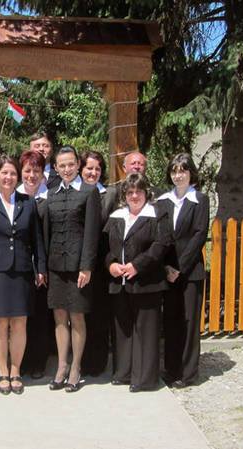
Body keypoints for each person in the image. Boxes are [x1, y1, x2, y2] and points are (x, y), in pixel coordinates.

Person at [0, 155, 46, 395]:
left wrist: (41, 269)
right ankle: (2, 371)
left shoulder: (28, 202)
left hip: (22, 271)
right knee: (0, 323)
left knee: (19, 323)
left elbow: (37, 239)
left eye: (13, 173)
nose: (9, 177)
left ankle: (16, 371)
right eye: (4, 173)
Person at [104, 173, 172, 392]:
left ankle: (144, 379)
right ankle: (123, 372)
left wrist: (137, 265)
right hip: (120, 283)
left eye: (139, 191)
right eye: (130, 192)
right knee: (122, 330)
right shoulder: (116, 216)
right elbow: (106, 248)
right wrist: (111, 265)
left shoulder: (157, 215)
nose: (134, 196)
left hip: (147, 283)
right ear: (124, 194)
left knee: (146, 331)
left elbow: (160, 246)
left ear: (146, 193)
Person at [43, 146, 101, 392]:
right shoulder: (51, 194)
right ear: (56, 168)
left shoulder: (89, 192)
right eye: (62, 165)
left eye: (70, 164)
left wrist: (86, 266)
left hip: (79, 268)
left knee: (77, 316)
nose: (67, 169)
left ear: (78, 165)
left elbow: (92, 233)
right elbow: (47, 232)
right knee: (59, 317)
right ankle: (62, 366)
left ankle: (76, 367)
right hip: (56, 266)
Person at [157, 153, 210, 389]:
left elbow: (199, 235)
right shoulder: (163, 201)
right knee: (171, 321)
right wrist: (166, 267)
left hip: (190, 272)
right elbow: (160, 235)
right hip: (167, 271)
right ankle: (171, 369)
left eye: (183, 171)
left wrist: (179, 268)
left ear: (191, 173)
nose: (178, 175)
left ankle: (188, 373)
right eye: (174, 171)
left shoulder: (200, 200)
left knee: (189, 322)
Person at [16, 149, 51, 379]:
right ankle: (21, 361)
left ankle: (38, 361)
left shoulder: (50, 196)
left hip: (43, 266)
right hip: (19, 267)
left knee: (40, 317)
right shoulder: (14, 196)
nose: (31, 175)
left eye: (36, 170)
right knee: (21, 318)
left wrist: (43, 267)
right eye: (28, 170)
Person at [78, 150, 113, 377]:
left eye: (98, 169)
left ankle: (97, 362)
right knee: (79, 315)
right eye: (89, 168)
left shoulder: (109, 195)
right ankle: (79, 361)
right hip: (77, 263)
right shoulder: (73, 193)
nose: (93, 172)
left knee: (99, 315)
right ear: (81, 169)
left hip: (101, 263)